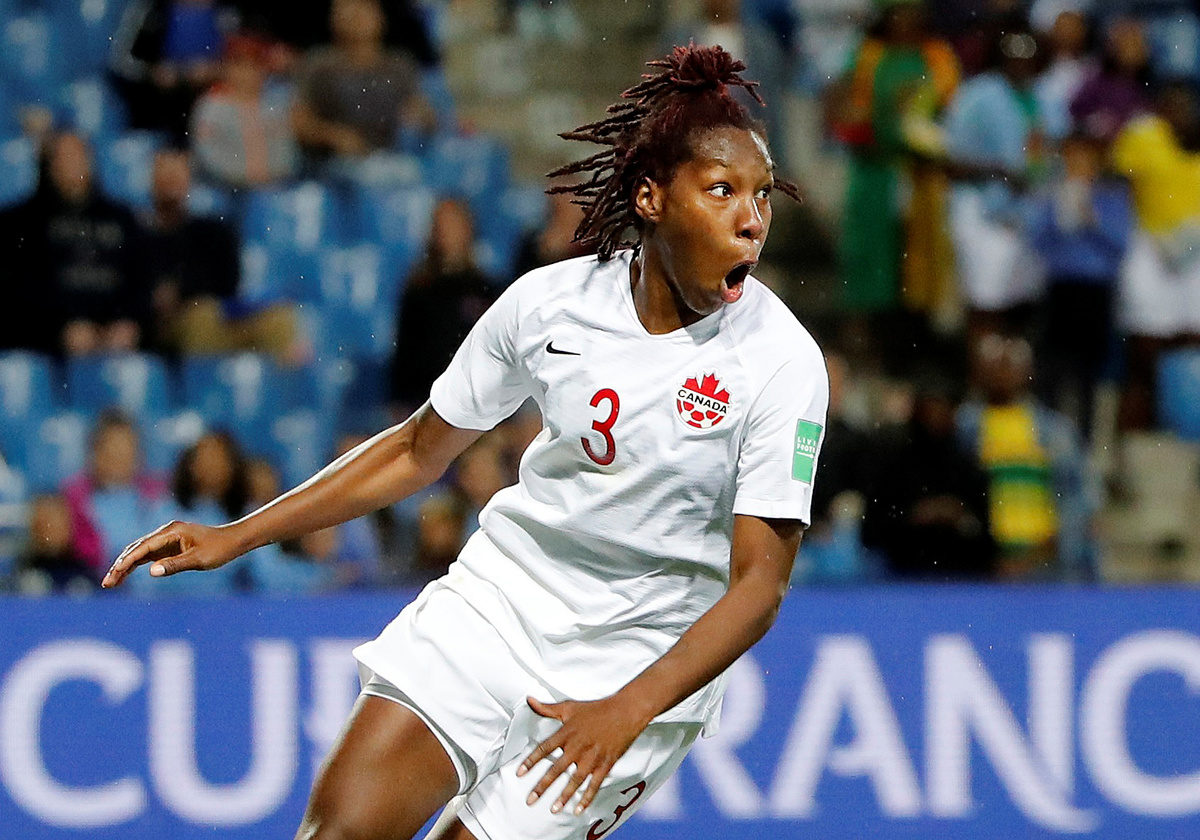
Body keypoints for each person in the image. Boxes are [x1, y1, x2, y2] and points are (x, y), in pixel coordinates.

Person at [103, 45, 828, 840]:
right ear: (650, 197)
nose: (752, 218)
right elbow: (418, 450)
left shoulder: (781, 363)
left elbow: (759, 587)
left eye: (763, 195)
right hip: (500, 606)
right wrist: (237, 534)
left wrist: (629, 708)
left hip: (640, 663)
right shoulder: (550, 304)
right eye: (722, 190)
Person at [134, 149, 301, 360]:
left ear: (189, 181)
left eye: (177, 176)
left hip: (218, 318)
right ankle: (206, 381)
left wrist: (182, 291)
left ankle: (276, 382)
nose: (172, 184)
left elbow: (228, 283)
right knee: (200, 319)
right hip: (166, 329)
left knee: (281, 319)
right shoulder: (136, 234)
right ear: (152, 180)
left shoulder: (212, 231)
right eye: (166, 176)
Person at [0, 133, 144, 356]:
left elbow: (140, 278)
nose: (72, 164)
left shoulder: (123, 219)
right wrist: (60, 328)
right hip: (45, 343)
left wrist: (127, 321)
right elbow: (19, 288)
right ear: (48, 165)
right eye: (63, 157)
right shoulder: (20, 222)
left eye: (78, 156)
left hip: (115, 338)